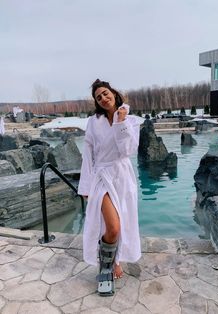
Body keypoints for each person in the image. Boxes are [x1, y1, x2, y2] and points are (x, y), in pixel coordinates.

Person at [78, 79, 141, 295]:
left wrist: (121, 123)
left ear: (113, 92)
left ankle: (115, 261)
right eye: (98, 97)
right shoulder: (93, 122)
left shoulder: (131, 120)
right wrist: (85, 187)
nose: (103, 98)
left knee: (120, 223)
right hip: (101, 177)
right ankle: (105, 267)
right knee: (112, 227)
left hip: (122, 176)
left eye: (105, 93)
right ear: (96, 102)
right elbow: (88, 156)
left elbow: (128, 151)